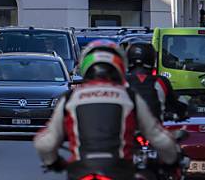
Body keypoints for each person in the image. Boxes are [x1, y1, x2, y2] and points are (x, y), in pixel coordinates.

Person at [35, 41, 179, 180]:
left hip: (81, 170)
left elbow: (45, 143)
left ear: (85, 67)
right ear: (119, 67)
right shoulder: (128, 96)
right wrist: (171, 160)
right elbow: (159, 138)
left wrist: (53, 162)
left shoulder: (70, 98)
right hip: (119, 171)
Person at [126, 42, 183, 121]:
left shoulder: (120, 81)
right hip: (153, 130)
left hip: (127, 130)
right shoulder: (160, 81)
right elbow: (176, 104)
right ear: (152, 59)